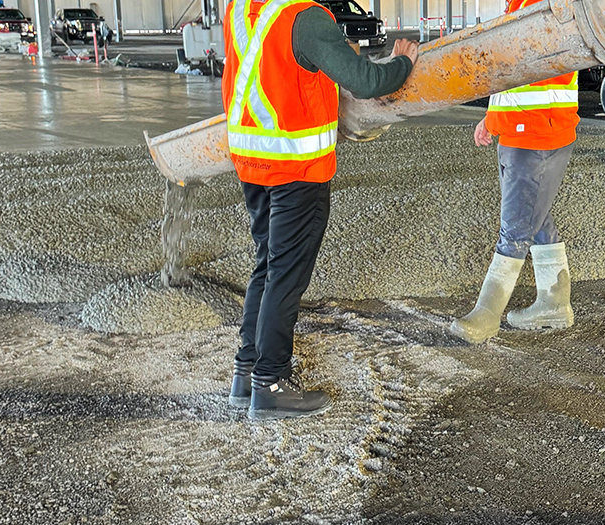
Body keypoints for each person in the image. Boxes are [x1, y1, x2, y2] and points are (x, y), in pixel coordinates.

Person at [222, 0, 418, 420]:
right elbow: (365, 81)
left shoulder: (243, 10)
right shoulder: (305, 18)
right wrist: (402, 63)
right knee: (286, 277)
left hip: (253, 162)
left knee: (267, 265)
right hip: (297, 168)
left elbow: (276, 71)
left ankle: (247, 371)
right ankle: (271, 383)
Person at [448, 0, 577, 345]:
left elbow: (526, 65)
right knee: (536, 217)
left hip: (536, 136)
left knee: (516, 227)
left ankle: (487, 315)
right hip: (525, 131)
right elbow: (518, 82)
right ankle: (554, 302)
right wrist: (492, 120)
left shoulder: (540, 6)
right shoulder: (522, 5)